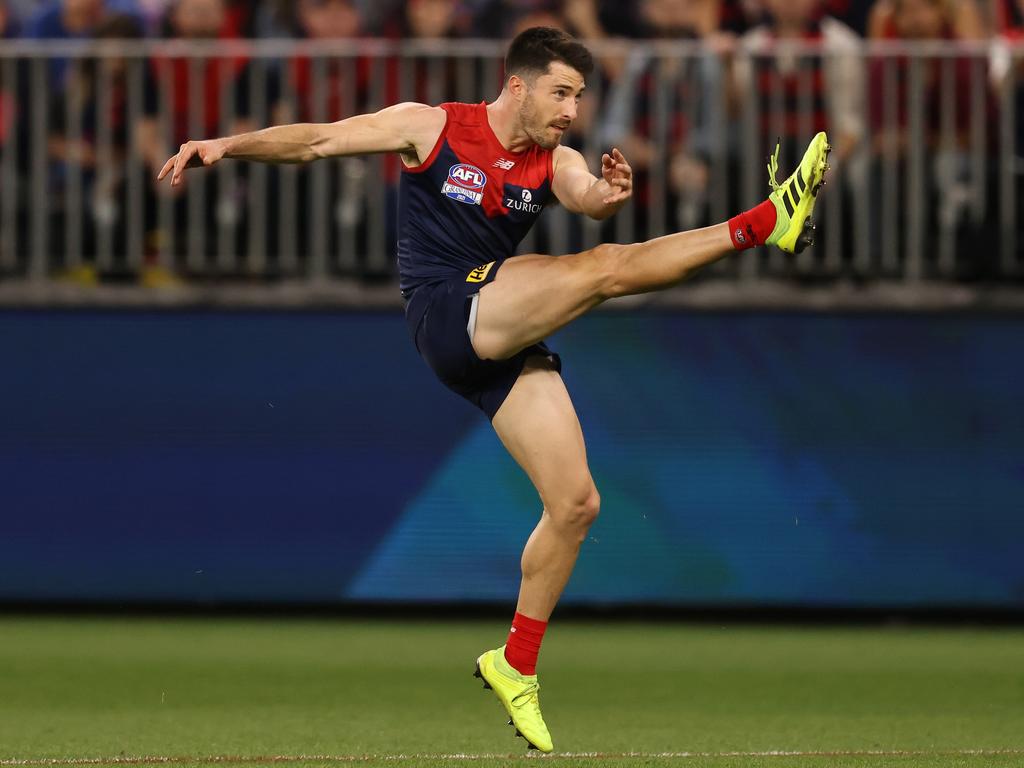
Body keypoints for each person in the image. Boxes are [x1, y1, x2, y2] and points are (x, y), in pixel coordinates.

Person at [157, 26, 830, 753]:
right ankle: (766, 223)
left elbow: (587, 198)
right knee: (601, 271)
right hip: (447, 311)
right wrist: (229, 145)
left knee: (576, 504)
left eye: (580, 95)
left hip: (500, 331)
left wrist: (606, 194)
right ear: (519, 84)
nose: (573, 110)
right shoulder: (433, 126)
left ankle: (515, 663)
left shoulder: (554, 161)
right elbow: (319, 141)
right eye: (561, 92)